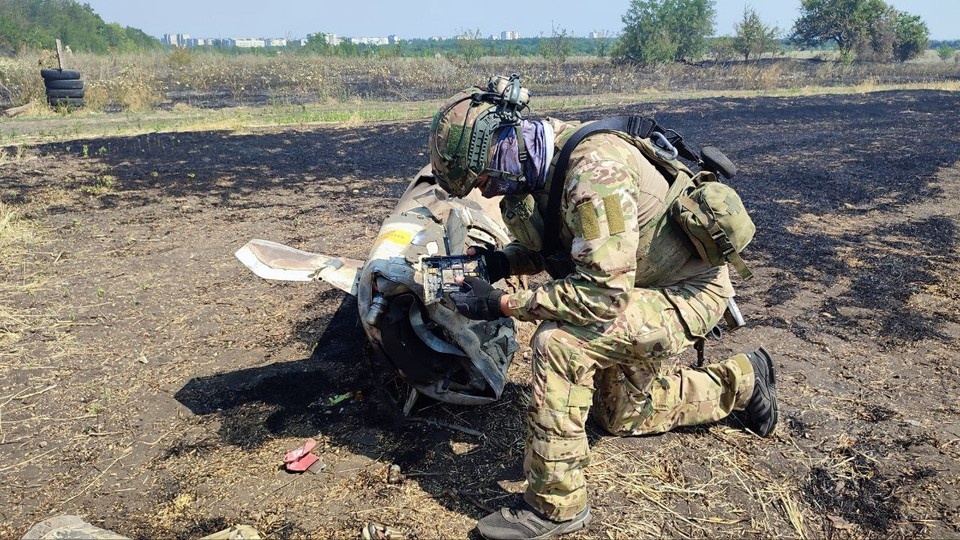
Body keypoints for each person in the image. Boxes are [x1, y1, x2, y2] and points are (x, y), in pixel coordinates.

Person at [429, 75, 778, 540]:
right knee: (619, 416)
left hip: (688, 293)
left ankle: (555, 507)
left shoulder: (594, 171)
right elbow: (559, 244)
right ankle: (744, 382)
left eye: (486, 179)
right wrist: (496, 262)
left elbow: (602, 295)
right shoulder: (537, 167)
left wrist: (503, 304)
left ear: (501, 142)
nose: (488, 192)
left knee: (559, 343)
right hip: (639, 286)